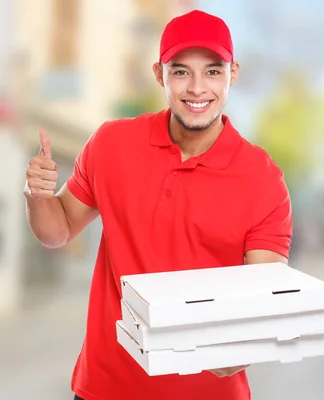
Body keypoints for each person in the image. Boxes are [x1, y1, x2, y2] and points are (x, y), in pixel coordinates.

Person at [24, 10, 292, 400]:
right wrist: (37, 194)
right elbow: (57, 230)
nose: (197, 88)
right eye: (181, 71)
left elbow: (262, 298)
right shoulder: (111, 144)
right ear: (158, 73)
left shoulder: (263, 180)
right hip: (104, 388)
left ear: (233, 73)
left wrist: (243, 345)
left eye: (213, 71)